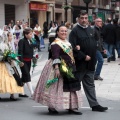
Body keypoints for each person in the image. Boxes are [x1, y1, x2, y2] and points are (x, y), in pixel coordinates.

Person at [33, 25, 82, 115]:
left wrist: (76, 49)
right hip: (59, 66)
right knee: (55, 87)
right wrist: (56, 68)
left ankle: (71, 106)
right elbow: (55, 56)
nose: (64, 33)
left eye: (65, 31)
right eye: (62, 31)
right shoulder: (55, 43)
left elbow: (68, 54)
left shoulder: (67, 42)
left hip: (69, 67)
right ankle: (52, 107)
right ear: (57, 32)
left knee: (71, 87)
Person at [69, 11, 108, 112]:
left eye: (86, 18)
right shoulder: (75, 31)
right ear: (78, 18)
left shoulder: (91, 29)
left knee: (90, 85)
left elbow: (95, 42)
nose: (84, 20)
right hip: (79, 64)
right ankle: (73, 106)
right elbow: (72, 47)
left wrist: (100, 50)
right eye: (82, 18)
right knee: (76, 85)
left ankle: (94, 105)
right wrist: (83, 56)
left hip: (90, 64)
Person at [0, 32, 24, 101]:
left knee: (14, 78)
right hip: (3, 64)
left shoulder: (9, 44)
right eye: (10, 36)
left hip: (10, 63)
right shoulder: (1, 45)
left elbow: (13, 54)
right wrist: (4, 57)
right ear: (6, 37)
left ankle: (12, 95)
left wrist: (18, 62)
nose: (11, 37)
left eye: (11, 36)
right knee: (3, 79)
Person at [18, 28, 34, 97]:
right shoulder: (22, 41)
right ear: (25, 34)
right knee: (27, 75)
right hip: (23, 61)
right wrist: (21, 61)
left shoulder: (30, 40)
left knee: (24, 76)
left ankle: (20, 92)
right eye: (30, 34)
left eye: (31, 34)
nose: (31, 35)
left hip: (29, 61)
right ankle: (32, 93)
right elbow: (20, 51)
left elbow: (32, 49)